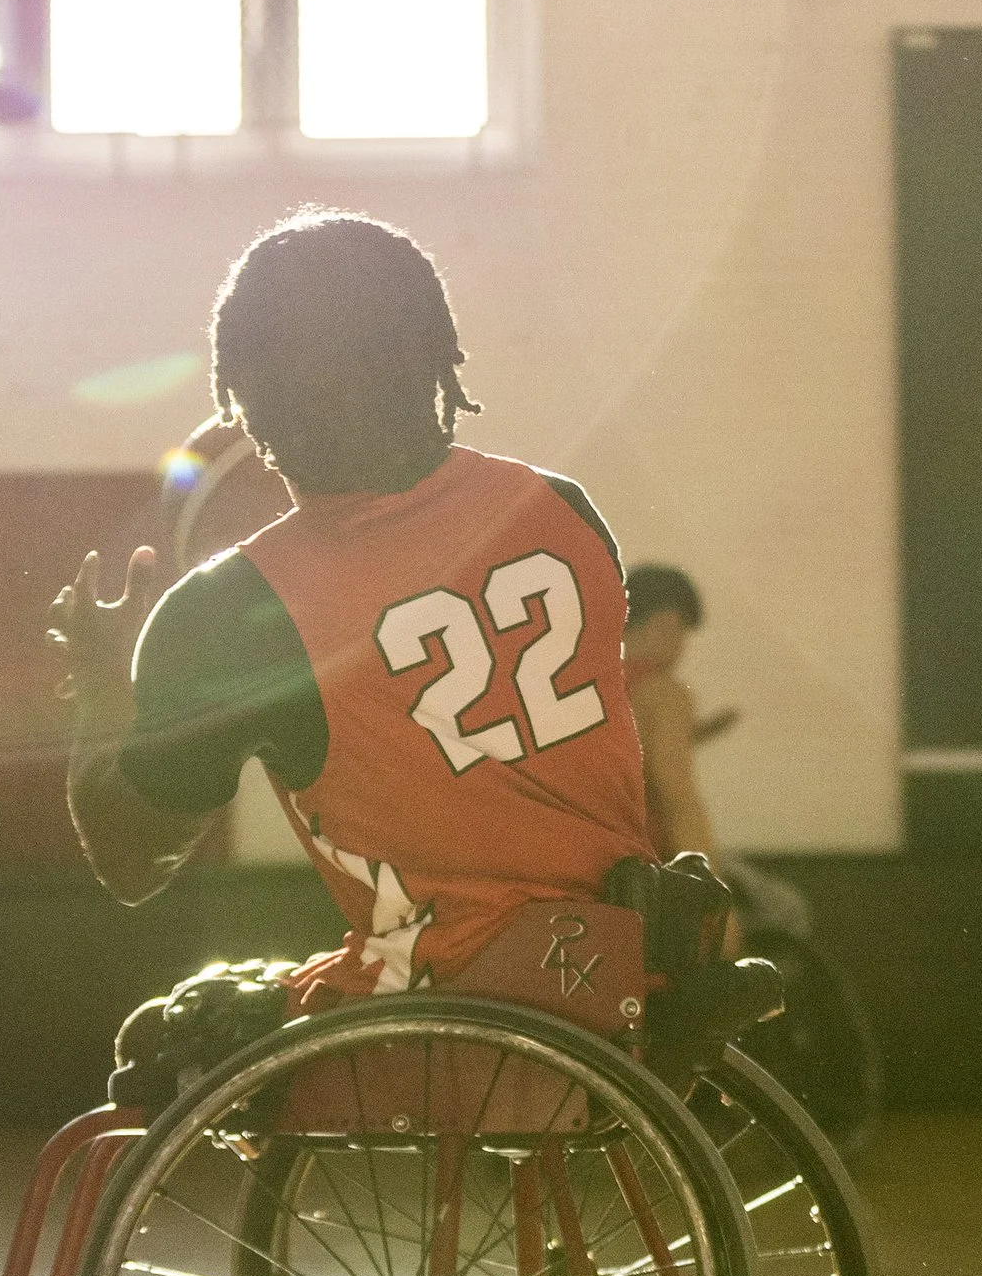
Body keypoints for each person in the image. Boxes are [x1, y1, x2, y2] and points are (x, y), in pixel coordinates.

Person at [49, 209, 656, 1009]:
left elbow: (132, 864)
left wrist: (105, 677)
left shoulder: (233, 609)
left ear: (247, 406)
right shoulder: (561, 509)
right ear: (433, 361)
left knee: (172, 1040)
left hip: (436, 1009)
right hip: (623, 983)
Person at [621, 562, 728, 881]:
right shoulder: (661, 694)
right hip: (642, 878)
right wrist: (715, 907)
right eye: (683, 632)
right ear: (664, 623)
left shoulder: (579, 688)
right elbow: (677, 800)